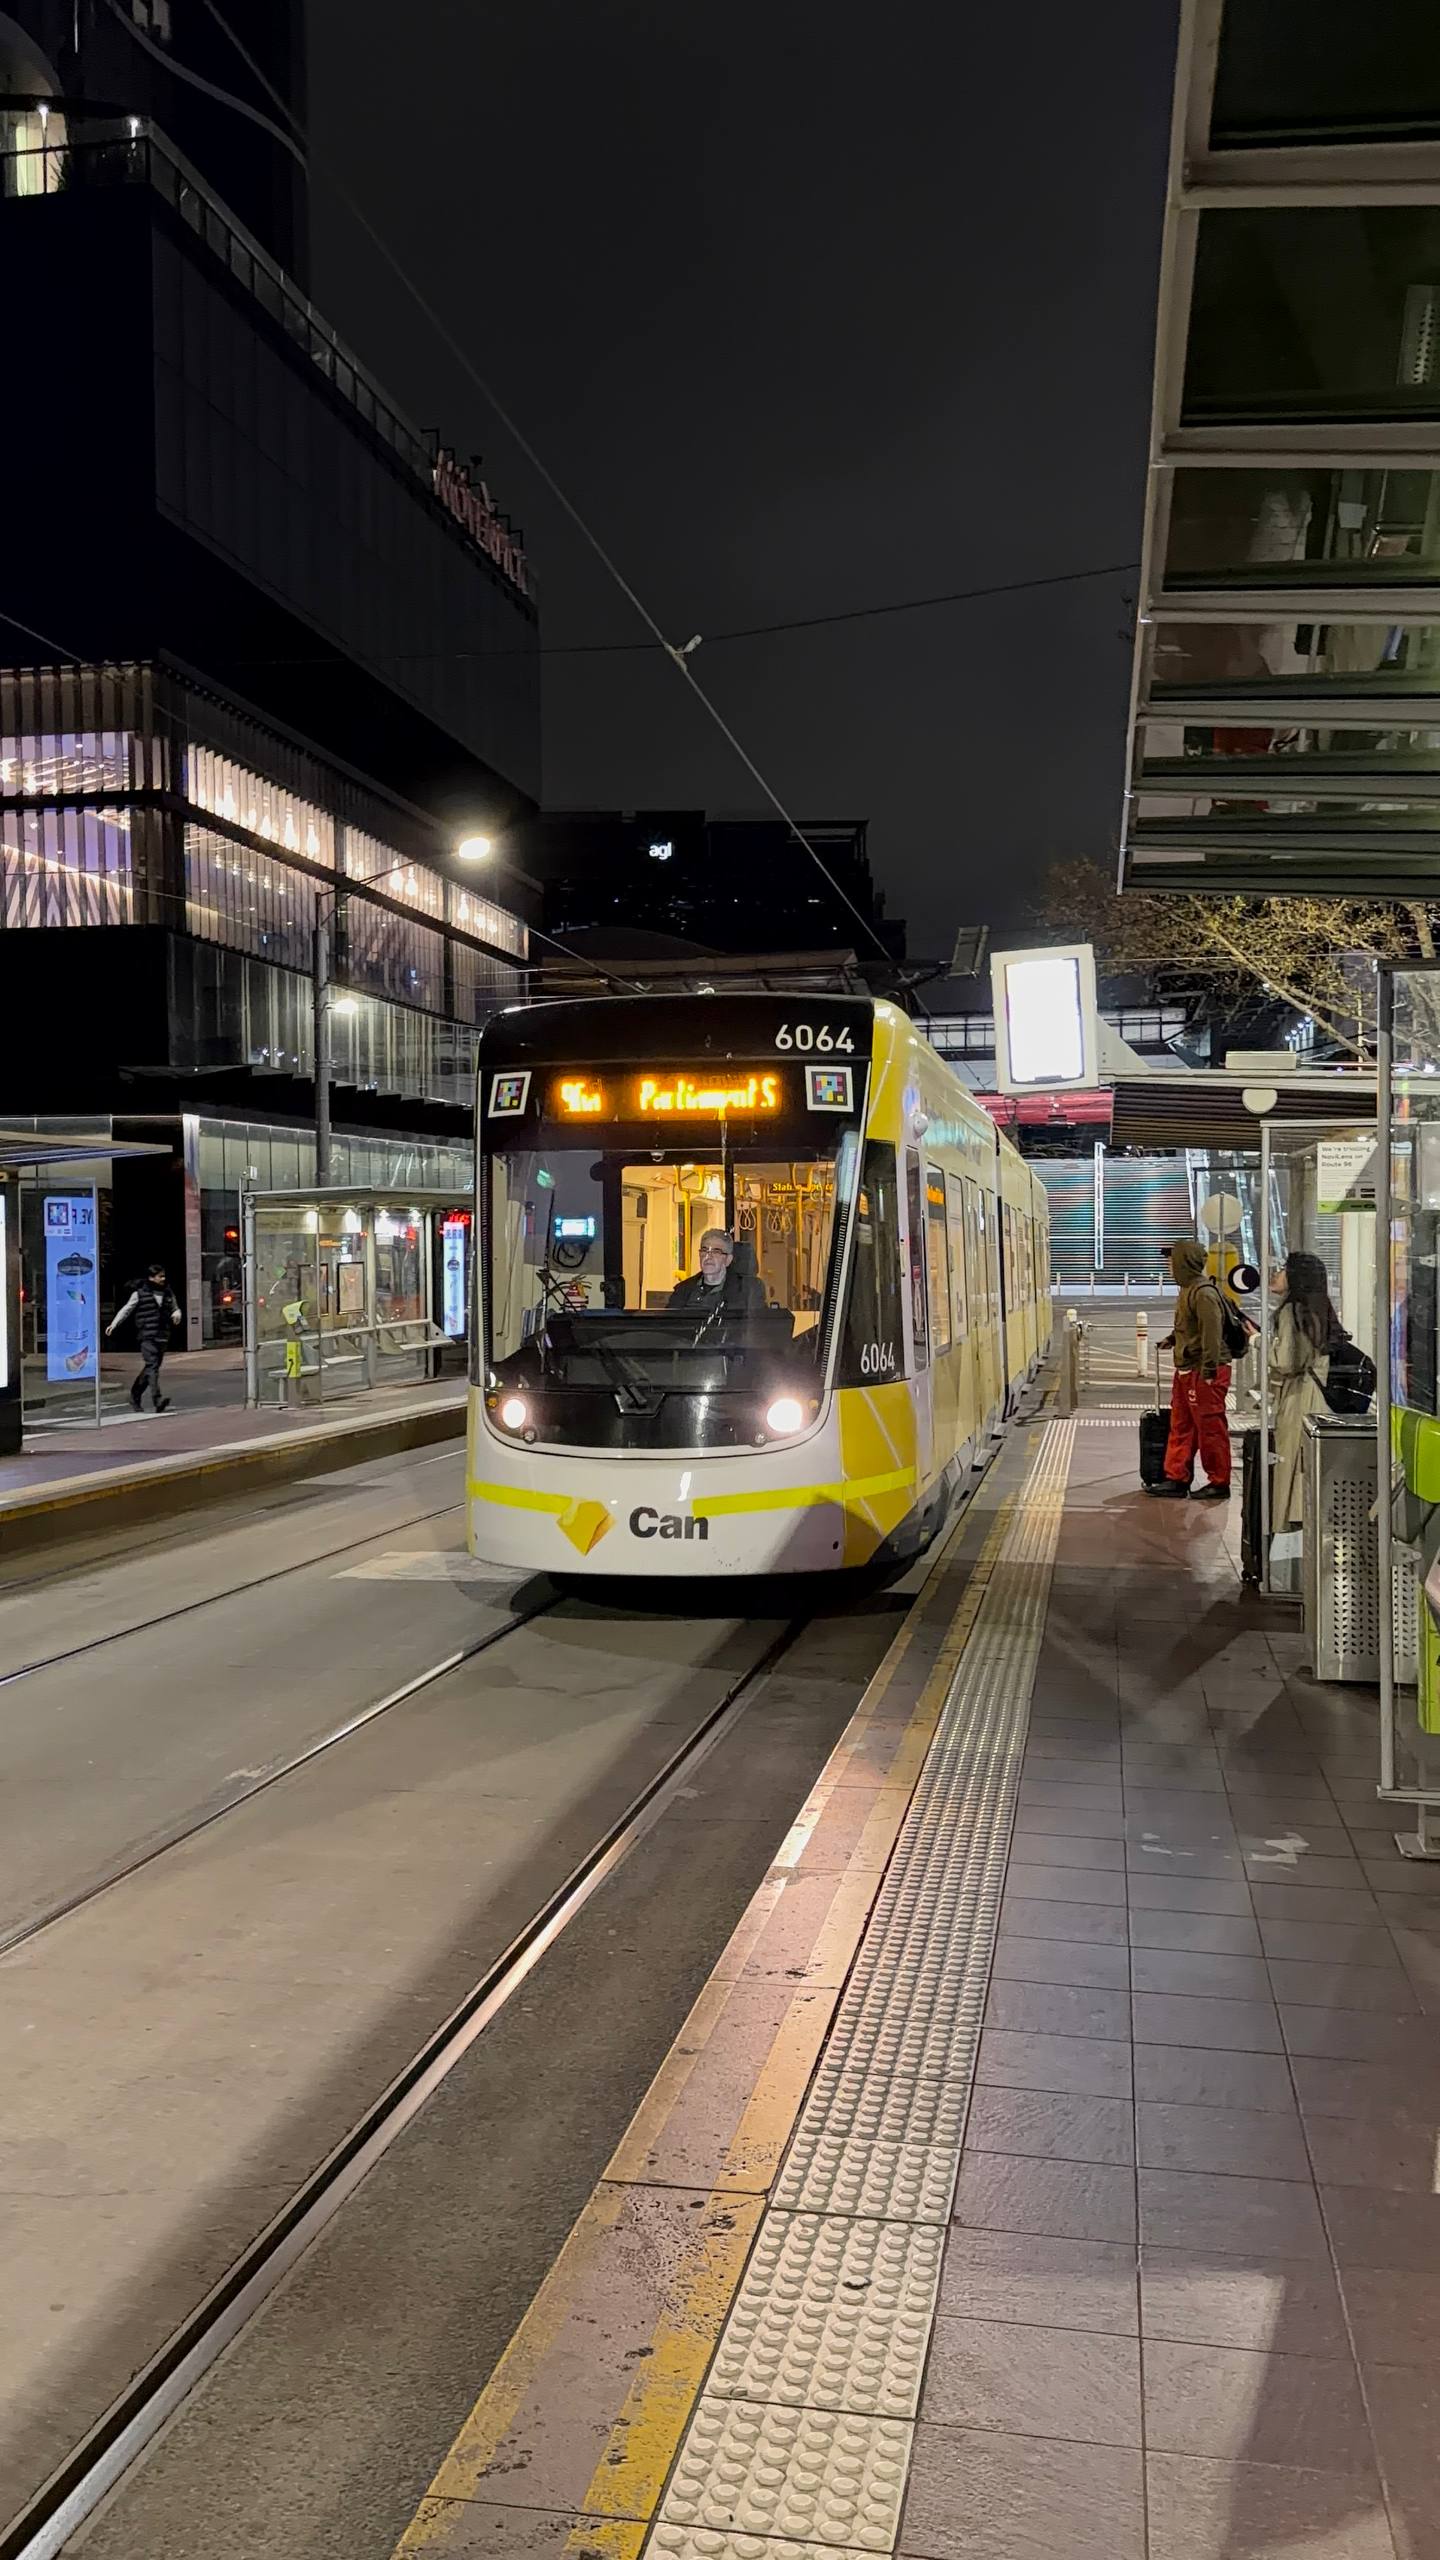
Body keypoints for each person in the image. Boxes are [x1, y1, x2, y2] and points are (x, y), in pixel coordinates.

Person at [1147, 1236, 1233, 1501]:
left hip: (1204, 1370)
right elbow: (1191, 1327)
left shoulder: (1203, 1293)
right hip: (1187, 1368)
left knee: (1210, 1428)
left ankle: (1219, 1481)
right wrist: (1173, 1339)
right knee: (1181, 1423)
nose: (1169, 1265)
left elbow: (1211, 1334)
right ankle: (1176, 1477)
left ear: (1184, 1263)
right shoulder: (1188, 1290)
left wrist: (1208, 1371)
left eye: (1172, 1260)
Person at [1270, 1250, 1335, 1530]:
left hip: (1298, 1398)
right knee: (1307, 1471)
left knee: (1290, 1467)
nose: (1277, 1273)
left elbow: (1287, 1361)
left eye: (1284, 1268)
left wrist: (1260, 1341)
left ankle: (1287, 1534)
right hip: (1318, 1398)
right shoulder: (1318, 1308)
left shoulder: (1291, 1311)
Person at [107, 1262, 182, 1411]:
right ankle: (157, 1399)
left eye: (164, 1276)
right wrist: (114, 1324)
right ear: (151, 1278)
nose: (163, 1279)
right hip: (147, 1335)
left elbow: (175, 1307)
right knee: (152, 1366)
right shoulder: (139, 1293)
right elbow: (126, 1309)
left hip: (162, 1335)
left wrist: (177, 1313)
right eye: (160, 1276)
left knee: (151, 1368)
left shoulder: (167, 1292)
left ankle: (135, 1395)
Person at [668, 1228, 764, 1314]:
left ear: (728, 1260)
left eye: (716, 1252)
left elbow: (756, 1324)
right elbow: (668, 1324)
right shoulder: (683, 1290)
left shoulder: (747, 1290)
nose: (708, 1257)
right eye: (704, 1251)